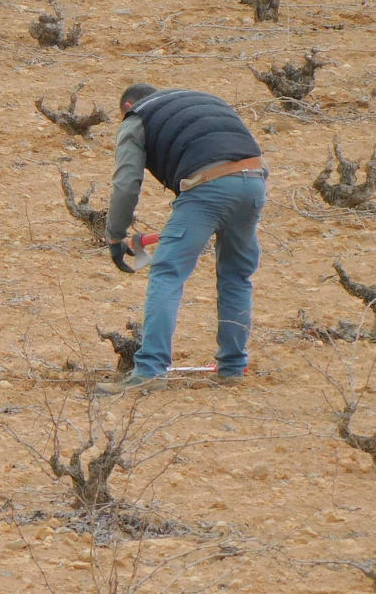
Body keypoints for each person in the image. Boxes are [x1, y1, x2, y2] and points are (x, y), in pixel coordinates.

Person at [95, 84, 267, 395]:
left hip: (206, 188)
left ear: (129, 105)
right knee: (236, 277)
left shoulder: (137, 117)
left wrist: (115, 235)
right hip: (254, 181)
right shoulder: (206, 98)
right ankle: (232, 368)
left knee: (167, 273)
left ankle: (149, 371)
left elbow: (126, 183)